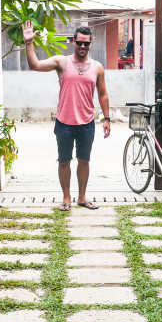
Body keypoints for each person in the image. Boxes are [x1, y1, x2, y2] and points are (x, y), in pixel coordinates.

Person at [21, 21, 110, 211]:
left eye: (86, 43)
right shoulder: (62, 62)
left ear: (90, 44)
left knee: (84, 160)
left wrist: (107, 118)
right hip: (64, 123)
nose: (83, 46)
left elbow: (103, 94)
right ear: (74, 42)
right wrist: (29, 43)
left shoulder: (97, 67)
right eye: (80, 43)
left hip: (87, 122)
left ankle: (82, 197)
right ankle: (66, 198)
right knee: (64, 161)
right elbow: (35, 65)